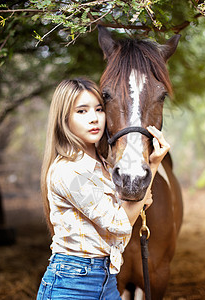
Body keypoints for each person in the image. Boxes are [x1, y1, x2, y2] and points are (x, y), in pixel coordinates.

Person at [36, 78, 170, 300]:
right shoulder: (70, 172)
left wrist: (148, 170)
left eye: (99, 109)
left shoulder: (106, 168)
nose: (94, 118)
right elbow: (119, 223)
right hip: (71, 284)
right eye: (81, 111)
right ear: (64, 119)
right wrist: (154, 166)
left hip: (106, 280)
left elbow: (133, 211)